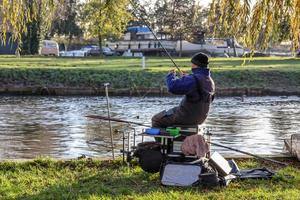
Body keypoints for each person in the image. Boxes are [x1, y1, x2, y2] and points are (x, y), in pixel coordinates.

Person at [152, 52, 215, 128]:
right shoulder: (210, 81)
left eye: (192, 63)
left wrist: (171, 75)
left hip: (187, 116)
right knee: (172, 113)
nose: (191, 65)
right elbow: (198, 90)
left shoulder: (193, 79)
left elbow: (172, 87)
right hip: (201, 118)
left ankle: (163, 140)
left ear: (195, 64)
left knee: (156, 119)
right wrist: (186, 78)